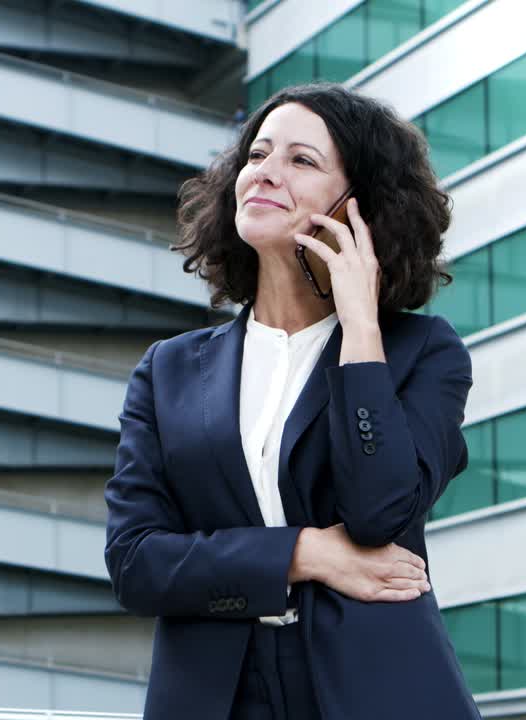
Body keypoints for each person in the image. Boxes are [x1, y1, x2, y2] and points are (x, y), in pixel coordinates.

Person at [105, 83, 479, 719]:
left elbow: (379, 512)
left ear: (360, 206)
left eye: (301, 161)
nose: (265, 174)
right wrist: (303, 553)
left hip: (378, 694)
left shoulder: (422, 352)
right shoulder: (168, 370)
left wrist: (361, 328)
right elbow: (136, 561)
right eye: (257, 155)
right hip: (214, 700)